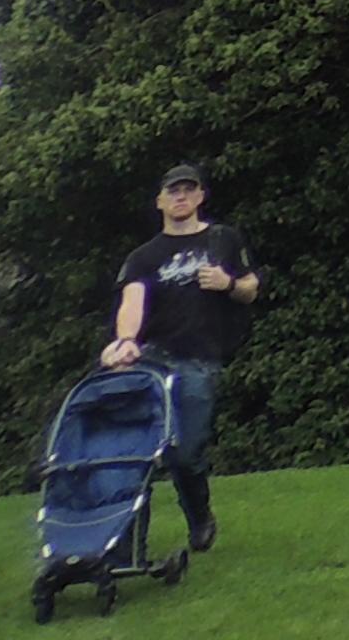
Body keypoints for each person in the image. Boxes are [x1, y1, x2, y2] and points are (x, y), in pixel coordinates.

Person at [99, 164, 257, 555]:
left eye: (188, 189)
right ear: (160, 201)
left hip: (200, 360)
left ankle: (200, 518)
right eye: (173, 191)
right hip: (151, 359)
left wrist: (229, 284)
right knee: (134, 452)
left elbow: (252, 287)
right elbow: (131, 301)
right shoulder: (144, 256)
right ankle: (128, 544)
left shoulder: (223, 239)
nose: (180, 196)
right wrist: (125, 342)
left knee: (185, 454)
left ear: (201, 196)